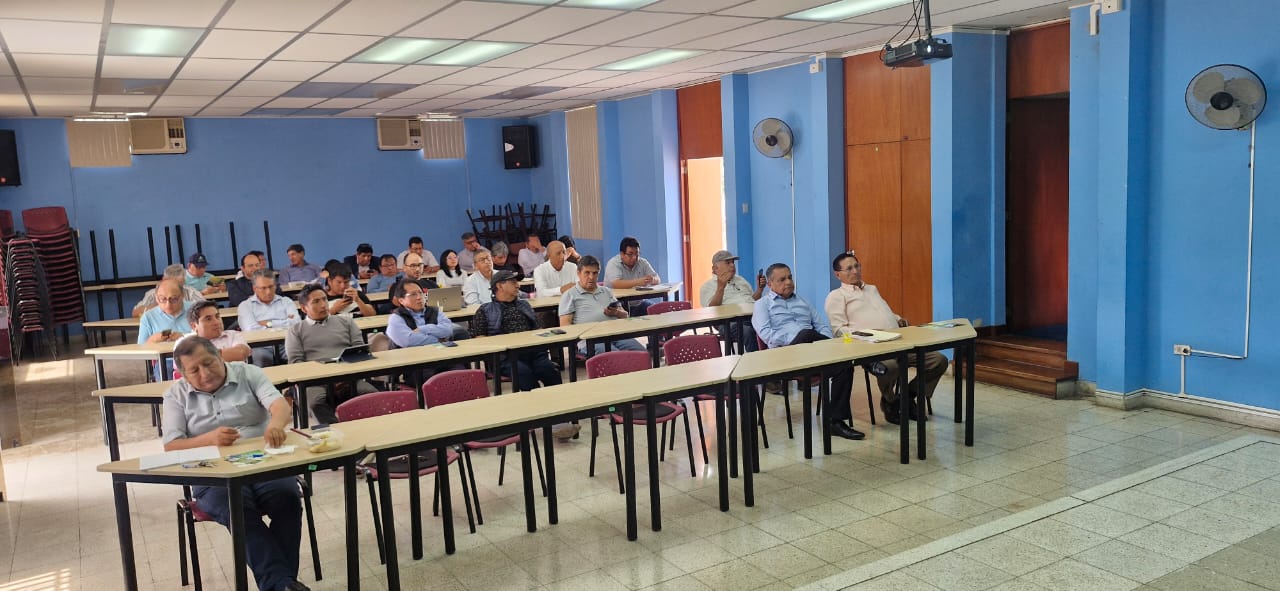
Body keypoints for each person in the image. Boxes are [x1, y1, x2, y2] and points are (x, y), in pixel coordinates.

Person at [161, 336, 311, 591]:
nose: (205, 373)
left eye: (209, 363)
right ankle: (282, 584)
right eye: (194, 370)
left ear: (220, 356)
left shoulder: (248, 373)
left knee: (286, 499)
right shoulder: (175, 396)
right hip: (213, 474)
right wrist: (209, 439)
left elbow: (279, 406)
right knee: (237, 509)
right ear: (183, 375)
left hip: (263, 461)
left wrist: (275, 425)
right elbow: (171, 446)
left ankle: (280, 585)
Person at [825, 252, 946, 424]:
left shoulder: (871, 289)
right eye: (849, 268)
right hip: (870, 347)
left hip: (898, 341)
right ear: (838, 274)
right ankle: (890, 401)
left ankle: (906, 396)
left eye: (857, 266)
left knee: (938, 360)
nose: (855, 271)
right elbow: (838, 330)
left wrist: (898, 319)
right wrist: (867, 336)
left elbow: (884, 312)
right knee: (890, 367)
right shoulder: (836, 296)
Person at [752, 263, 865, 441]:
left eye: (790, 277)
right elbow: (767, 335)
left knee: (844, 367)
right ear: (770, 284)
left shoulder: (802, 300)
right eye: (782, 279)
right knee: (806, 333)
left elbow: (821, 325)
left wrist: (822, 343)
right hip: (785, 355)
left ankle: (835, 422)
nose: (788, 282)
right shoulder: (762, 305)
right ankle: (863, 358)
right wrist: (799, 341)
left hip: (813, 353)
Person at [471, 270, 577, 440]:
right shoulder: (485, 310)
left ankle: (560, 417)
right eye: (512, 282)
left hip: (533, 353)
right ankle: (549, 421)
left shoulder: (524, 305)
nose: (517, 285)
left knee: (551, 371)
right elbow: (478, 338)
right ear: (499, 286)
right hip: (506, 358)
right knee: (526, 376)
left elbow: (537, 330)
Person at [286, 285, 375, 425]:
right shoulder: (296, 330)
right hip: (315, 382)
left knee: (374, 397)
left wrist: (344, 374)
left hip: (348, 378)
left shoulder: (346, 322)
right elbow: (296, 363)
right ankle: (336, 434)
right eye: (316, 302)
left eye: (324, 299)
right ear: (304, 308)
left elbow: (359, 351)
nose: (323, 305)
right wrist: (325, 376)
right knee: (316, 404)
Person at [559, 255, 644, 355]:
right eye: (587, 273)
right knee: (617, 358)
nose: (591, 277)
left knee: (642, 354)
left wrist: (616, 312)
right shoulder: (570, 295)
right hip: (591, 340)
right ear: (578, 273)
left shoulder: (606, 291)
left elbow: (625, 315)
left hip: (617, 335)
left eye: (595, 273)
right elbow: (565, 326)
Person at [698, 250, 765, 352]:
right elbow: (710, 311)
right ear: (715, 268)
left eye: (733, 262)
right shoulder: (707, 286)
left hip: (752, 316)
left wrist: (760, 289)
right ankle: (756, 363)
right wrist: (721, 288)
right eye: (728, 263)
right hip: (728, 322)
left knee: (776, 322)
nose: (732, 266)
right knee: (747, 332)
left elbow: (752, 300)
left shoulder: (740, 280)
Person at [238, 270, 301, 367]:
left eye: (271, 287)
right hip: (260, 347)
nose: (268, 292)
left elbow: (296, 324)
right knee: (261, 362)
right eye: (263, 288)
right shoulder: (245, 306)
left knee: (300, 358)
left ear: (275, 286)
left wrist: (269, 324)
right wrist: (284, 322)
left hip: (286, 343)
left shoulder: (286, 301)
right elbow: (251, 330)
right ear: (254, 288)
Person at [386, 279, 458, 348]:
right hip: (408, 357)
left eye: (420, 293)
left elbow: (448, 330)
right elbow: (408, 341)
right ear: (401, 300)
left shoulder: (435, 311)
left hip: (437, 354)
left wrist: (422, 329)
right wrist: (438, 340)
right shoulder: (396, 317)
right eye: (413, 294)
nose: (419, 297)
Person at [603, 236, 661, 315]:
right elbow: (616, 284)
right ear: (622, 254)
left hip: (638, 303)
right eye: (630, 254)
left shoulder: (642, 262)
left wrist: (652, 279)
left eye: (637, 254)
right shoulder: (613, 263)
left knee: (658, 312)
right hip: (618, 305)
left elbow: (658, 279)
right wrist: (639, 282)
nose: (634, 258)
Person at [187, 301, 252, 362]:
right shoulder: (186, 343)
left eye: (217, 316)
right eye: (208, 319)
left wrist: (201, 357)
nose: (217, 322)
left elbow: (241, 353)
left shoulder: (232, 335)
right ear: (194, 326)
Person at [133, 264, 205, 317]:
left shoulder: (190, 292)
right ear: (163, 280)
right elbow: (135, 313)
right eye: (171, 284)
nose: (176, 289)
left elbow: (207, 308)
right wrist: (159, 305)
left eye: (180, 285)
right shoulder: (153, 293)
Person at [138, 280, 194, 344]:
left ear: (182, 296)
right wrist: (152, 340)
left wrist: (184, 337)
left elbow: (207, 339)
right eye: (163, 299)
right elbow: (140, 349)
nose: (168, 305)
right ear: (156, 298)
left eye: (174, 299)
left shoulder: (197, 310)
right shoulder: (148, 317)